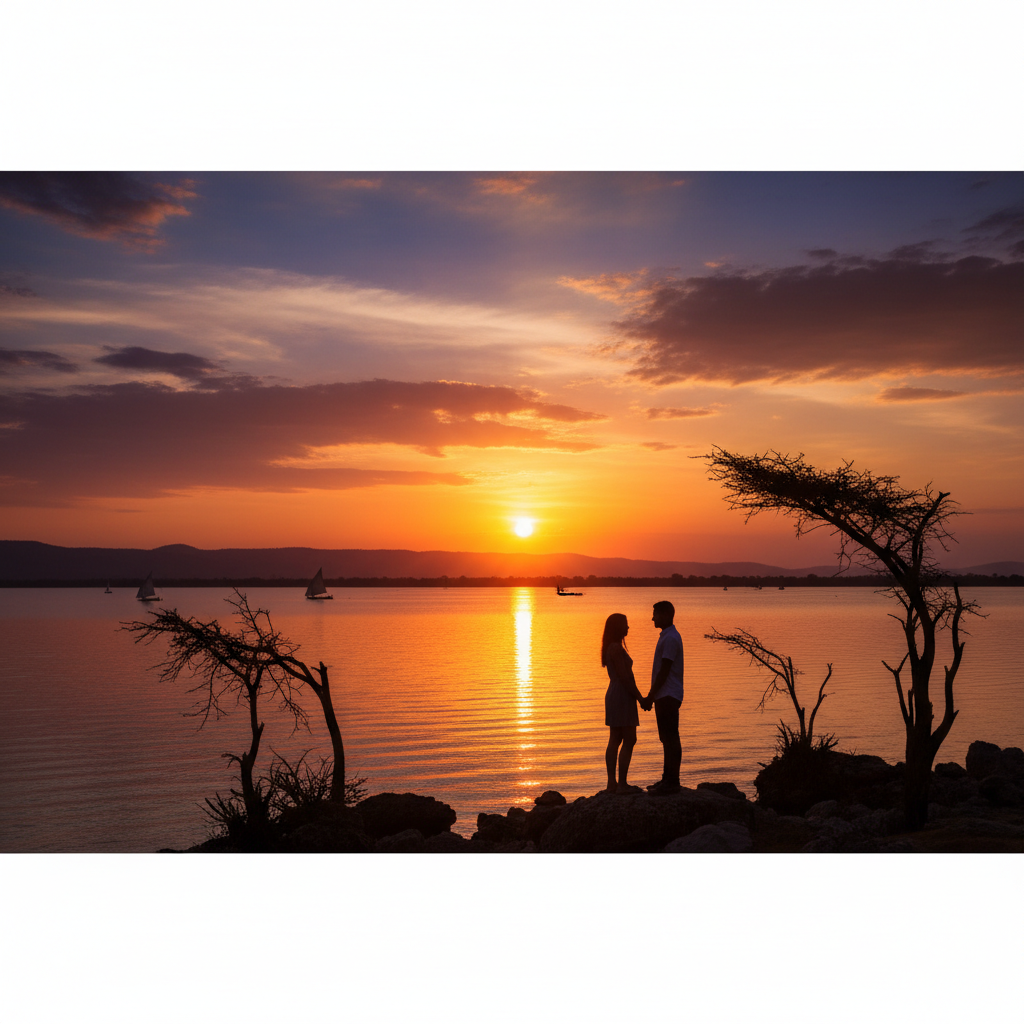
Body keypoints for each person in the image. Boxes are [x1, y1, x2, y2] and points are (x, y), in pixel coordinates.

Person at [601, 613, 649, 794]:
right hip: (621, 694)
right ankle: (620, 784)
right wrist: (640, 698)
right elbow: (625, 678)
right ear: (618, 627)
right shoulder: (615, 648)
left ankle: (613, 783)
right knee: (629, 738)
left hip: (616, 693)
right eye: (626, 625)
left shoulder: (612, 647)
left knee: (616, 738)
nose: (628, 628)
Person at [642, 600, 684, 794]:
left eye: (656, 614)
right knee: (665, 737)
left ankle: (672, 781)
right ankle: (667, 778)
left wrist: (650, 695)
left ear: (666, 615)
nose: (652, 618)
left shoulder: (670, 638)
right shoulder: (667, 636)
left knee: (670, 737)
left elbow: (665, 670)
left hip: (668, 693)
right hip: (664, 693)